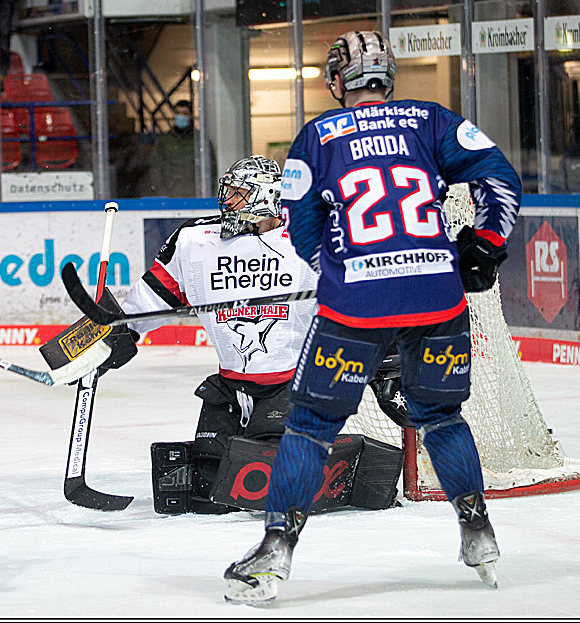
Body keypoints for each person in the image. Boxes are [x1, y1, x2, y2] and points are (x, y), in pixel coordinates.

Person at [223, 31, 521, 604]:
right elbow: (498, 177)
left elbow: (303, 226)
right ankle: (477, 530)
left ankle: (275, 552)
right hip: (438, 298)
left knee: (310, 425)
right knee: (440, 416)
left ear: (338, 81)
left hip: (355, 308)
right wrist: (484, 244)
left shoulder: (317, 136)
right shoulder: (432, 119)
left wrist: (336, 273)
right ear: (387, 76)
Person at [111, 155, 317, 512]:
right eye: (228, 193)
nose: (228, 202)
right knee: (208, 493)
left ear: (267, 197)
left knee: (267, 486)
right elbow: (153, 295)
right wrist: (118, 330)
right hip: (230, 389)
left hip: (293, 388)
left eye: (238, 194)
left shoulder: (310, 238)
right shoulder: (195, 239)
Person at [147, 99, 216, 198]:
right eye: (177, 113)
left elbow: (210, 170)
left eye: (184, 113)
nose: (180, 116)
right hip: (171, 197)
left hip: (195, 196)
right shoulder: (164, 141)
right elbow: (156, 168)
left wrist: (207, 195)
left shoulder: (200, 140)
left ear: (191, 115)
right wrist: (162, 193)